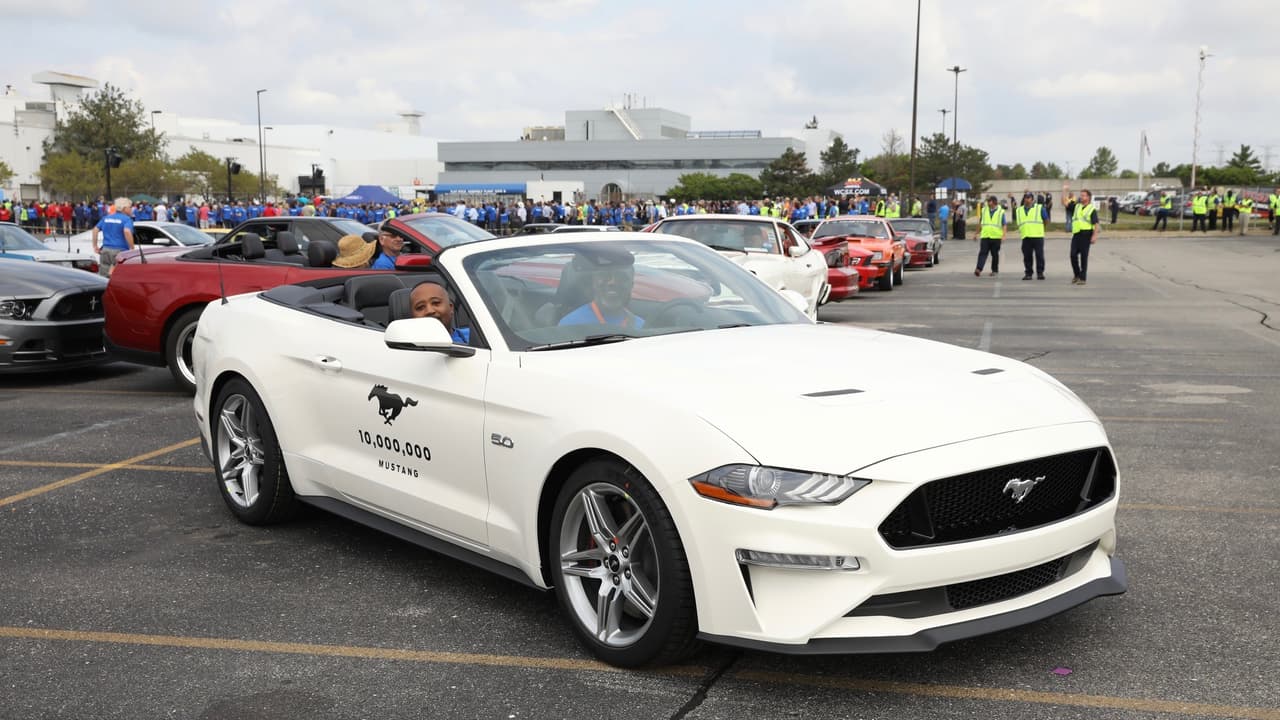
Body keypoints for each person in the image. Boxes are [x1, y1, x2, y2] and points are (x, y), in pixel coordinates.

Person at [559, 249, 645, 329]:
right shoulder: (570, 325)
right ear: (593, 283)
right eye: (604, 275)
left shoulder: (643, 328)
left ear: (631, 285)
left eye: (621, 277)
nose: (612, 282)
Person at [90, 197, 135, 277]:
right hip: (121, 250)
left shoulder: (106, 217)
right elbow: (127, 231)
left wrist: (95, 246)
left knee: (104, 275)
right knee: (121, 275)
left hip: (106, 249)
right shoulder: (127, 219)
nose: (131, 209)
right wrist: (132, 248)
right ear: (124, 208)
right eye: (130, 207)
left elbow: (95, 230)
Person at [1063, 185, 1099, 286]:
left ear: (1088, 197)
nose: (1081, 197)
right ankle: (1077, 274)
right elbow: (1065, 203)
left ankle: (1082, 278)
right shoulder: (1077, 206)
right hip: (1076, 234)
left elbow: (1096, 224)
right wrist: (1064, 191)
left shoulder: (1091, 209)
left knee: (1084, 256)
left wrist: (1094, 236)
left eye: (1083, 195)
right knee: (1073, 255)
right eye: (1081, 195)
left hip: (1086, 234)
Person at [1016, 192, 1048, 280]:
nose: (1027, 199)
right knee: (1027, 256)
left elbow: (1046, 220)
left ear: (1032, 199)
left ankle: (1040, 273)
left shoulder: (1039, 208)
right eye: (1026, 197)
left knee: (1039, 255)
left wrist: (1041, 228)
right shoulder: (1019, 210)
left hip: (1037, 236)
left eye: (1029, 198)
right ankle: (1028, 273)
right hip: (1026, 236)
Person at [974, 196, 1005, 277]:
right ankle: (978, 269)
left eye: (989, 201)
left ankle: (994, 270)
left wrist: (1004, 235)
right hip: (985, 236)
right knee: (982, 253)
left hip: (996, 237)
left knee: (995, 254)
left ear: (994, 202)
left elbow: (1004, 225)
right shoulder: (984, 210)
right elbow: (980, 223)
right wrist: (976, 233)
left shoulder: (1001, 211)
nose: (988, 203)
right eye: (987, 201)